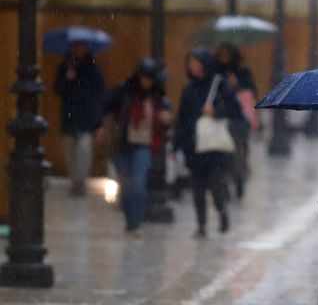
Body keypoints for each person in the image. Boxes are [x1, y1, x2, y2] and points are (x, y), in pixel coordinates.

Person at [174, 48, 243, 238]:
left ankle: (222, 212)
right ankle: (202, 225)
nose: (192, 66)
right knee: (197, 188)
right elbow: (182, 119)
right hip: (194, 146)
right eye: (190, 63)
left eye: (196, 62)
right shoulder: (188, 90)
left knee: (215, 184)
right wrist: (176, 145)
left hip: (214, 147)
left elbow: (236, 111)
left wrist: (215, 112)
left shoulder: (219, 85)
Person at [103, 59, 172, 235]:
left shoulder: (158, 97)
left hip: (144, 145)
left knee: (138, 183)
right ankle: (130, 220)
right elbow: (106, 106)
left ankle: (136, 221)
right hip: (122, 144)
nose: (146, 82)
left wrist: (166, 120)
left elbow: (166, 121)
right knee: (125, 186)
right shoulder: (124, 91)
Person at [54, 41, 107, 196]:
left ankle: (80, 182)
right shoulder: (65, 66)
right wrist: (66, 80)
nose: (79, 50)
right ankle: (74, 181)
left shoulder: (93, 68)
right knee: (70, 151)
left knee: (83, 150)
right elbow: (57, 88)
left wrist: (98, 117)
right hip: (69, 115)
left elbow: (100, 91)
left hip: (86, 116)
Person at [214, 43, 257, 199]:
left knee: (239, 152)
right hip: (221, 119)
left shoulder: (242, 72)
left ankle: (239, 178)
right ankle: (226, 181)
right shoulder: (216, 73)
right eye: (221, 54)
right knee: (224, 152)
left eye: (226, 54)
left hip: (239, 120)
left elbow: (251, 92)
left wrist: (236, 85)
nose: (224, 58)